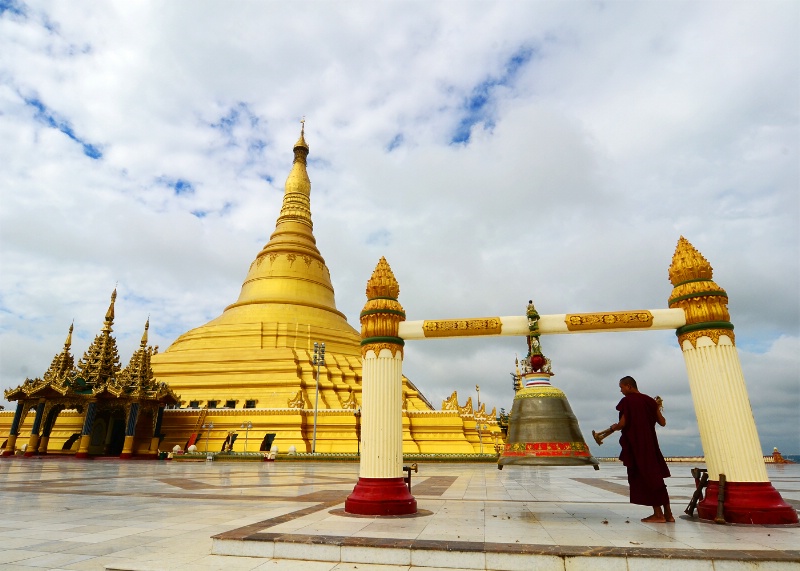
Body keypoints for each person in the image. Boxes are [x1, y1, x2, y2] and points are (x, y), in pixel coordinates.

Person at [610, 375, 673, 522]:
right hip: (652, 445)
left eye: (621, 387)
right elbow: (662, 422)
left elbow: (623, 423)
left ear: (628, 386)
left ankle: (658, 514)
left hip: (637, 446)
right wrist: (656, 408)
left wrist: (614, 427)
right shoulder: (650, 401)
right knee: (657, 478)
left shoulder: (628, 401)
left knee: (647, 478)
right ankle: (668, 515)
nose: (621, 391)